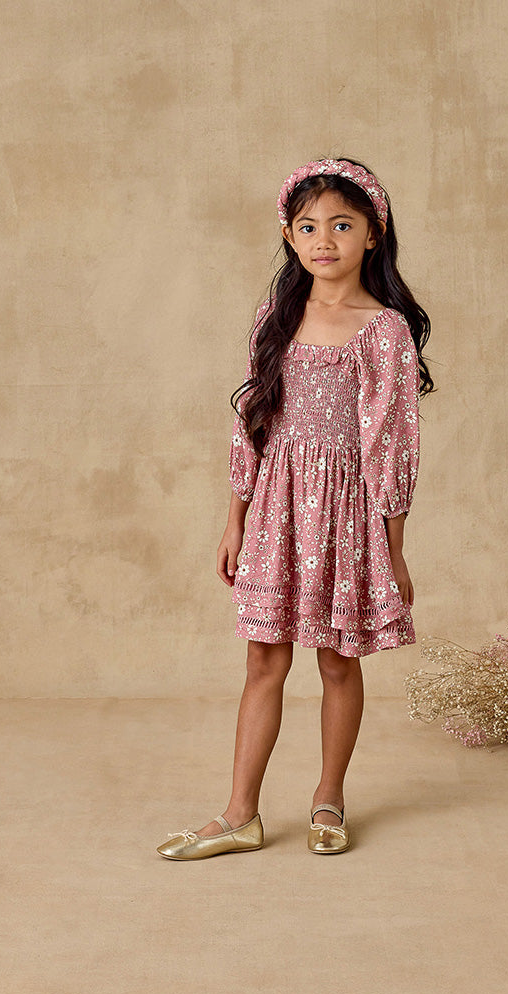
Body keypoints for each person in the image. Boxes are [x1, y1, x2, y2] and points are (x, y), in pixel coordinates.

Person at [157, 157, 435, 860]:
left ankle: (328, 798)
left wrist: (394, 547)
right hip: (279, 507)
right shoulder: (276, 318)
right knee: (262, 659)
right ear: (289, 236)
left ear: (373, 234)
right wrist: (234, 517)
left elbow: (393, 443)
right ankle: (239, 814)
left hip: (348, 514)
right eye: (308, 226)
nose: (325, 239)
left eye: (342, 225)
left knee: (339, 660)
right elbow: (253, 416)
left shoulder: (385, 330)